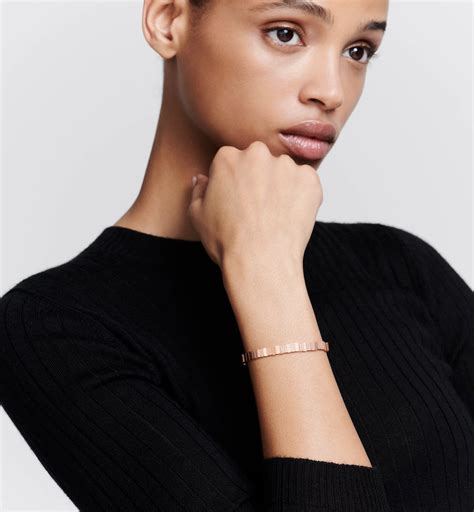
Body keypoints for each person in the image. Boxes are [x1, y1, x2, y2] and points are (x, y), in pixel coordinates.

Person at [0, 0, 472, 510]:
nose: (332, 91)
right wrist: (267, 275)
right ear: (168, 20)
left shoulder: (402, 268)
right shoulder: (57, 327)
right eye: (286, 33)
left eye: (358, 51)